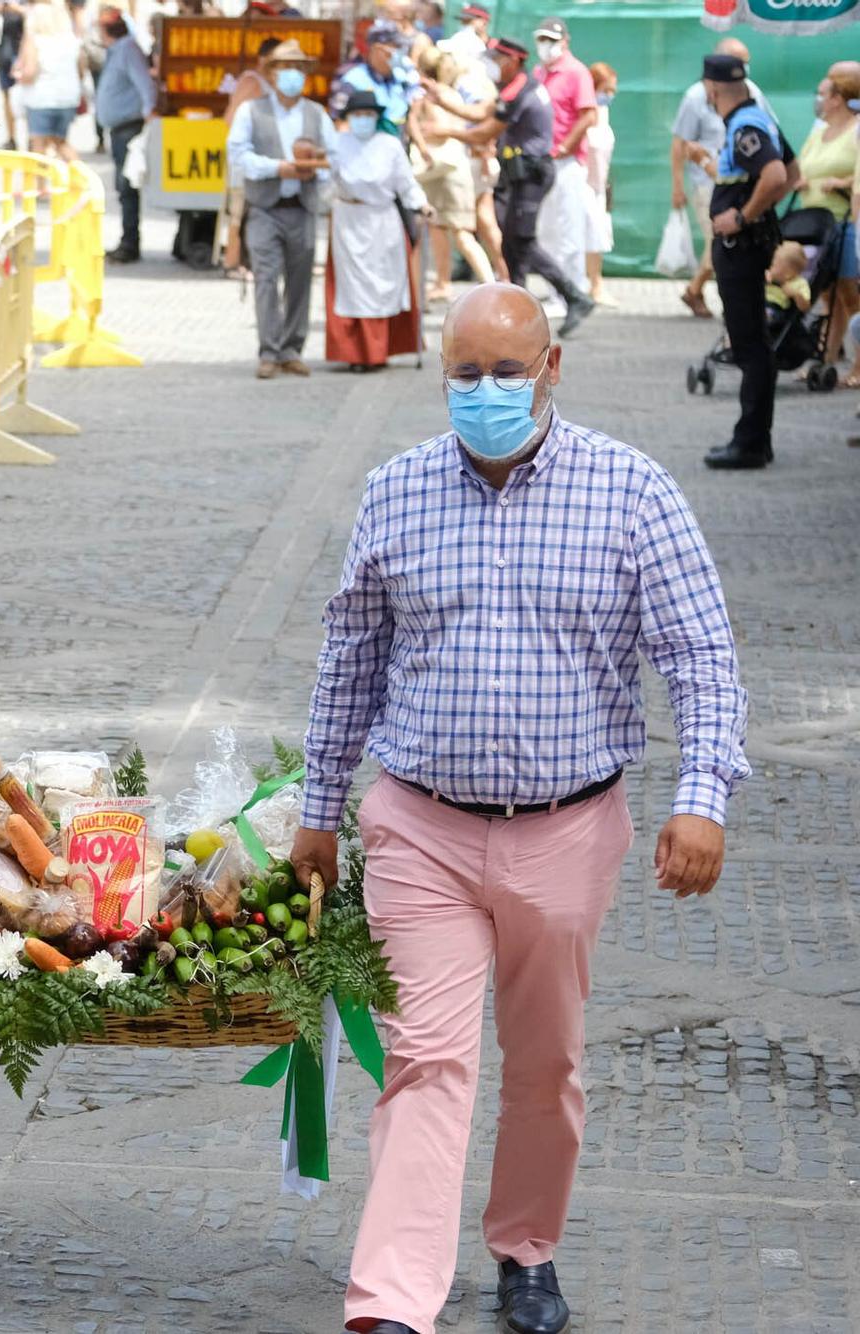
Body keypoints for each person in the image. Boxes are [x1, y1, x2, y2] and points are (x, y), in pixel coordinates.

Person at [300, 280, 748, 1334]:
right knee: (425, 1056)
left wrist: (701, 796)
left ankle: (524, 1246)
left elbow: (700, 657)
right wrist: (318, 803)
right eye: (464, 373)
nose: (485, 391)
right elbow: (349, 655)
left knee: (543, 1061)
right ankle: (392, 1298)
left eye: (507, 371)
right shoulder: (395, 491)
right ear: (439, 375)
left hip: (566, 827)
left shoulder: (630, 492)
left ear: (551, 369)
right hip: (419, 824)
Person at [446, 35, 595, 337]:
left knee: (522, 239)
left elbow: (485, 130)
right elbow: (481, 113)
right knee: (508, 236)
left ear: (513, 61)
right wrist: (442, 98)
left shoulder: (519, 92)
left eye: (498, 60)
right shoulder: (515, 87)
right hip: (518, 173)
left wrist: (444, 129)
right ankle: (516, 305)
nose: (493, 66)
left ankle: (574, 296)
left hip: (531, 173)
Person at [703, 51, 795, 472]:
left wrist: (742, 216)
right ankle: (758, 440)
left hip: (740, 248)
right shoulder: (758, 119)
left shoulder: (744, 125)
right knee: (754, 342)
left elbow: (777, 176)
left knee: (749, 345)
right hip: (749, 245)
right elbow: (792, 172)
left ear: (712, 87)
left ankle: (750, 443)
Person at [227, 38, 329, 377]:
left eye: (299, 68)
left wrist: (316, 167)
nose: (293, 75)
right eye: (286, 68)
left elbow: (335, 156)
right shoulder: (251, 110)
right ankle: (269, 350)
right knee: (266, 277)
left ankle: (291, 348)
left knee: (300, 280)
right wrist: (277, 167)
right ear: (271, 74)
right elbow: (238, 154)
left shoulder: (316, 113)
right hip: (265, 206)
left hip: (302, 204)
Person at [324, 88, 429, 372]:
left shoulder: (389, 145)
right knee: (352, 287)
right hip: (349, 220)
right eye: (357, 114)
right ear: (349, 117)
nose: (363, 120)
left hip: (382, 221)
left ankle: (379, 350)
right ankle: (355, 352)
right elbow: (325, 179)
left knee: (382, 284)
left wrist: (421, 204)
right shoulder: (337, 143)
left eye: (368, 115)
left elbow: (405, 183)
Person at [670, 37, 762, 320]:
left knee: (723, 244)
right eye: (738, 62)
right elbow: (680, 144)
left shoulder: (752, 95)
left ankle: (697, 291)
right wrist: (678, 185)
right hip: (708, 185)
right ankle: (718, 303)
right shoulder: (695, 96)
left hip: (738, 186)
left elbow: (777, 167)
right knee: (720, 243)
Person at [413, 46, 493, 305]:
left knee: (458, 232)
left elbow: (436, 128)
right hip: (454, 168)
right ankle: (447, 282)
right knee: (443, 228)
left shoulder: (431, 98)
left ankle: (489, 284)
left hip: (444, 169)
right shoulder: (455, 95)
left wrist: (423, 144)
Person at [793, 68, 858, 382]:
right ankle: (826, 357)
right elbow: (805, 163)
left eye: (823, 94)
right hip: (815, 222)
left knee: (849, 294)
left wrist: (841, 181)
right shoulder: (819, 130)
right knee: (828, 296)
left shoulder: (857, 130)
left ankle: (858, 365)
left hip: (844, 221)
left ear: (838, 98)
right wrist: (802, 180)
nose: (818, 99)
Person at [528, 18, 595, 309]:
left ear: (564, 41)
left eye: (552, 40)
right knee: (546, 229)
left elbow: (588, 115)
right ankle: (557, 290)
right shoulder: (538, 72)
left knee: (569, 229)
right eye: (542, 39)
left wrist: (565, 146)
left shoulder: (577, 72)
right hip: (541, 162)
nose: (546, 46)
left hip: (567, 163)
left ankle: (573, 292)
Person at [94, 5, 153, 263]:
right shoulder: (118, 50)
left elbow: (145, 84)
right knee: (123, 187)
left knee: (127, 186)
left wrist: (151, 111)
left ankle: (130, 243)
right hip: (120, 127)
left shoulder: (127, 49)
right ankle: (128, 240)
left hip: (129, 127)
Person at [219, 36, 280, 274]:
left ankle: (248, 261)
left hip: (262, 158)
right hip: (247, 156)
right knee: (240, 210)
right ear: (264, 59)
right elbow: (230, 118)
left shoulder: (270, 83)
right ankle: (233, 262)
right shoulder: (252, 81)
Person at [14, 0, 84, 163]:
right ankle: (81, 179)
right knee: (61, 142)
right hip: (67, 98)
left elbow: (29, 73)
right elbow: (81, 70)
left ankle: (40, 187)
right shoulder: (71, 41)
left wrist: (19, 75)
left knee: (39, 147)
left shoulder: (35, 41)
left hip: (41, 98)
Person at [331, 21, 422, 143]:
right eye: (396, 47)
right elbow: (339, 120)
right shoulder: (353, 80)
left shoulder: (403, 78)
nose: (400, 53)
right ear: (377, 49)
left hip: (398, 150)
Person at [583, 60, 616, 306]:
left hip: (599, 185)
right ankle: (589, 284)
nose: (609, 95)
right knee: (586, 235)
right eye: (606, 89)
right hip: (582, 183)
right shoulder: (584, 114)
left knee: (598, 235)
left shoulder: (604, 112)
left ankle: (596, 283)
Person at [0, 0, 25, 148]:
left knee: (27, 97)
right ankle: (11, 138)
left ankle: (34, 138)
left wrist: (17, 9)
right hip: (2, 52)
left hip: (23, 52)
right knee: (7, 96)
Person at [764, 239, 810, 313]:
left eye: (773, 264)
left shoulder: (800, 283)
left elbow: (805, 307)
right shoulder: (767, 274)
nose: (769, 267)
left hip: (775, 309)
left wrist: (796, 295)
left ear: (787, 274)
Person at [437, 2, 488, 67]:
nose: (462, 23)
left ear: (483, 21)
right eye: (464, 21)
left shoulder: (478, 43)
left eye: (468, 21)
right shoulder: (463, 37)